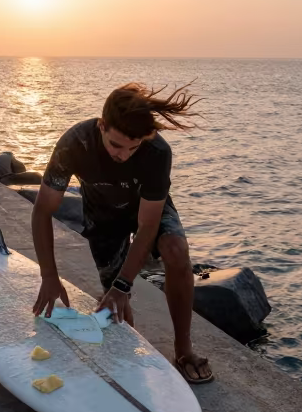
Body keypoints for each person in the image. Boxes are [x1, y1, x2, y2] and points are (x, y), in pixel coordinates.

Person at [32, 83, 213, 384]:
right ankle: (124, 353)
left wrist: (124, 283)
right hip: (102, 216)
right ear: (102, 126)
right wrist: (49, 275)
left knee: (176, 252)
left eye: (134, 147)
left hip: (145, 209)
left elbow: (148, 224)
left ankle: (183, 350)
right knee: (116, 305)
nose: (124, 155)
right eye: (116, 145)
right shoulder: (75, 144)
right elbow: (42, 210)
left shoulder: (156, 151)